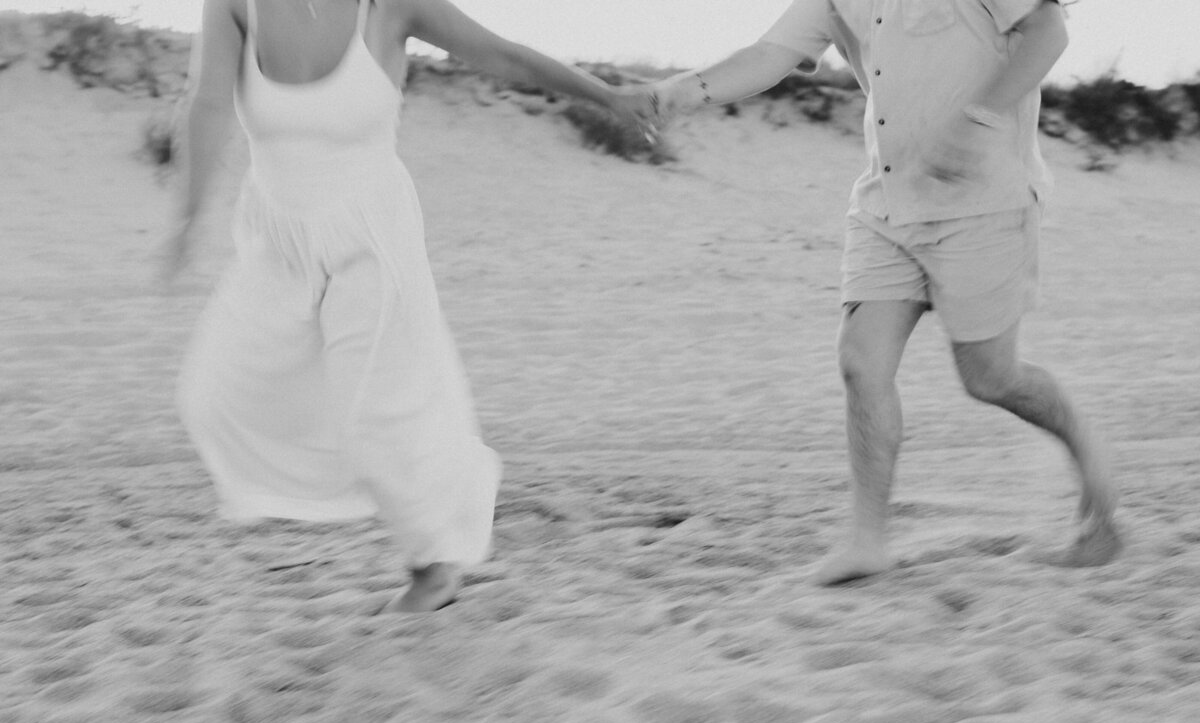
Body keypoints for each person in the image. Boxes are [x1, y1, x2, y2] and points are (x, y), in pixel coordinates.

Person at [164, 0, 650, 611]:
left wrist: (609, 96)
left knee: (377, 418)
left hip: (373, 236)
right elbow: (207, 102)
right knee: (213, 392)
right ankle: (394, 492)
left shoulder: (390, 6)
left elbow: (505, 55)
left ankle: (433, 567)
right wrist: (186, 220)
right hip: (277, 239)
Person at [637, 0, 1121, 584]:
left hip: (983, 201)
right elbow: (770, 55)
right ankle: (867, 540)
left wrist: (979, 118)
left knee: (990, 378)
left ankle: (1086, 445)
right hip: (885, 206)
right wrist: (686, 90)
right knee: (861, 362)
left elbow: (1048, 29)